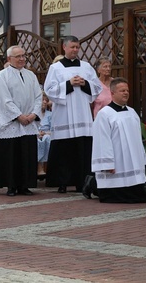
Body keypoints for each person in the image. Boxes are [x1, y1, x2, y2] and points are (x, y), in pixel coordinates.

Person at [45, 36, 102, 193]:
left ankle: (81, 181)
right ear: (64, 47)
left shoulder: (86, 66)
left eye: (77, 47)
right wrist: (69, 83)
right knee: (64, 150)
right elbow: (49, 90)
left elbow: (97, 88)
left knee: (82, 149)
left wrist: (85, 84)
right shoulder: (55, 68)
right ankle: (62, 182)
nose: (75, 50)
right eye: (72, 47)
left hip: (82, 113)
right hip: (64, 114)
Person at [0, 46, 43, 196]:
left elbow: (38, 96)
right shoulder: (2, 75)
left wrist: (33, 114)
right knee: (11, 155)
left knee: (26, 154)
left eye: (23, 56)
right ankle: (11, 186)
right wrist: (18, 115)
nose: (21, 59)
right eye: (18, 56)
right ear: (9, 59)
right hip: (12, 122)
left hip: (28, 121)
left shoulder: (31, 75)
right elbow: (4, 99)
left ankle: (25, 185)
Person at [89, 78, 146, 203]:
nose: (126, 93)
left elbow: (137, 139)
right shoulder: (104, 114)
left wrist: (141, 159)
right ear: (112, 93)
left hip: (131, 160)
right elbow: (102, 141)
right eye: (122, 90)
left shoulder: (132, 112)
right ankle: (91, 184)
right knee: (117, 195)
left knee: (140, 196)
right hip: (116, 163)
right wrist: (107, 164)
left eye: (127, 90)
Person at [37, 93, 52, 179]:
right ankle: (39, 167)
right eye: (42, 100)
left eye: (46, 100)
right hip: (36, 134)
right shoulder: (34, 114)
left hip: (47, 134)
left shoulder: (50, 114)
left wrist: (46, 133)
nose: (44, 102)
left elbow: (53, 129)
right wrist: (38, 133)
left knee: (47, 139)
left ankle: (46, 167)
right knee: (37, 141)